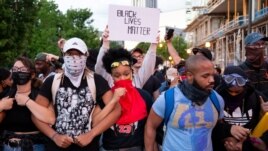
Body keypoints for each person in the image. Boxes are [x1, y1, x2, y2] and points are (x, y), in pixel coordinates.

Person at [32, 37, 122, 151]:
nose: (74, 58)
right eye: (70, 54)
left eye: (79, 54)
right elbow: (36, 114)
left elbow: (116, 111)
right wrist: (54, 136)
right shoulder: (52, 81)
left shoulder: (97, 81)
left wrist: (91, 134)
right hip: (56, 147)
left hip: (88, 147)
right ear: (63, 55)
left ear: (86, 55)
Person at [145, 55, 249, 151]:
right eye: (205, 76)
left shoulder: (217, 100)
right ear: (190, 76)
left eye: (213, 75)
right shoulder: (168, 98)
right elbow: (150, 126)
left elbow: (217, 129)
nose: (212, 80)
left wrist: (229, 138)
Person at [99, 47, 153, 150]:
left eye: (126, 74)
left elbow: (151, 127)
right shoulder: (106, 97)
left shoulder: (144, 96)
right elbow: (95, 123)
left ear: (132, 73)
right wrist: (113, 100)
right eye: (117, 75)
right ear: (111, 76)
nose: (122, 79)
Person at [0, 56, 55, 151]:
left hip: (35, 146)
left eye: (22, 69)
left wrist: (27, 102)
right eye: (15, 69)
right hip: (8, 146)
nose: (18, 72)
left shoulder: (40, 95)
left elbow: (51, 119)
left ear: (32, 74)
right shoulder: (6, 95)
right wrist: (1, 106)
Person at [212, 66, 268, 151]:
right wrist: (227, 136)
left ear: (245, 87)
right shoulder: (215, 98)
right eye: (230, 91)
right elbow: (208, 127)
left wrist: (263, 115)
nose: (233, 94)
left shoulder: (257, 97)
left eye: (238, 92)